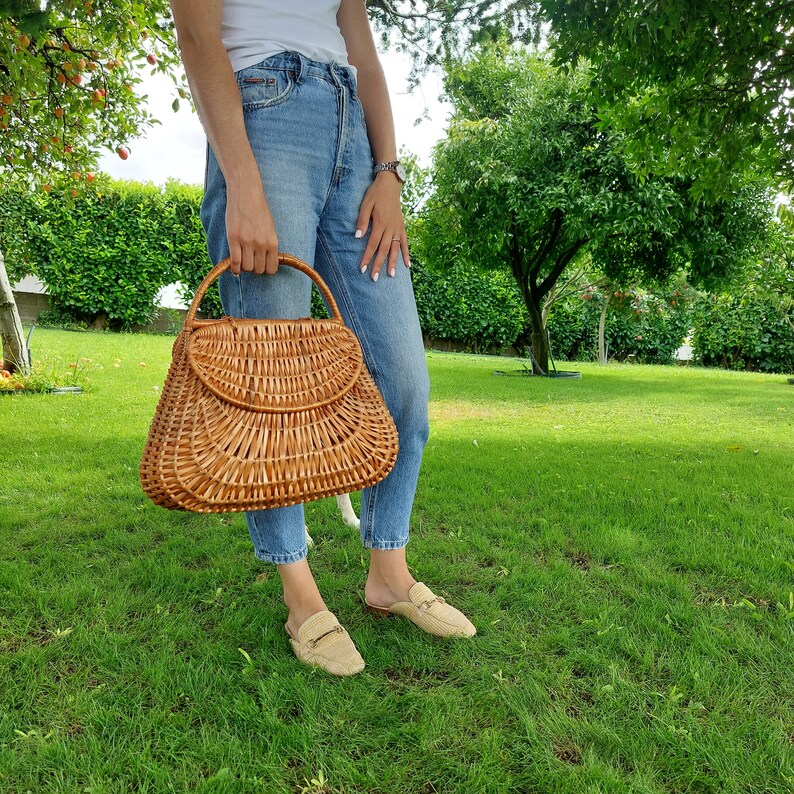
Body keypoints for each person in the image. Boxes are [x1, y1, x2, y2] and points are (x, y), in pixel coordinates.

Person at [170, 0, 476, 676]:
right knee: (270, 391)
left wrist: (389, 171)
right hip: (264, 117)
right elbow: (196, 33)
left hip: (353, 135)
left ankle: (388, 574)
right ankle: (300, 596)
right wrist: (242, 181)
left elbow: (361, 50)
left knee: (401, 379)